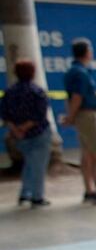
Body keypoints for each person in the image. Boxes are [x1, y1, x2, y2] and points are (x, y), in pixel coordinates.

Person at [61, 38, 96, 205]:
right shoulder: (80, 73)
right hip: (88, 115)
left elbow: (70, 97)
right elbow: (77, 97)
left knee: (86, 153)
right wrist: (71, 116)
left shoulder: (73, 71)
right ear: (86, 52)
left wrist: (71, 115)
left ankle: (89, 189)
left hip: (82, 115)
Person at [1, 59, 52, 207]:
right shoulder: (37, 92)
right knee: (38, 167)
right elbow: (40, 115)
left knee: (29, 164)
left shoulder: (9, 93)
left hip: (19, 137)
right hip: (39, 134)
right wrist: (25, 127)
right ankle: (37, 196)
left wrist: (16, 130)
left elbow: (4, 115)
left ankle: (25, 193)